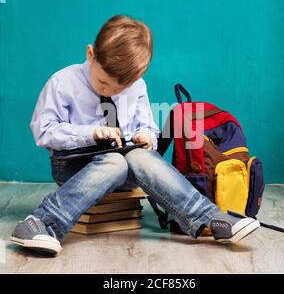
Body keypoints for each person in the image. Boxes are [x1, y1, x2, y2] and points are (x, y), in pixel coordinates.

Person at [11, 15, 260, 255]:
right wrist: (91, 133)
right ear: (90, 54)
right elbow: (43, 132)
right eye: (103, 83)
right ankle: (40, 222)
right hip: (74, 164)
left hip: (124, 165)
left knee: (137, 156)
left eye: (121, 88)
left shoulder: (137, 86)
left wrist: (146, 136)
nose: (110, 90)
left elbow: (147, 126)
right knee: (115, 161)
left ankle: (209, 218)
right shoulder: (62, 82)